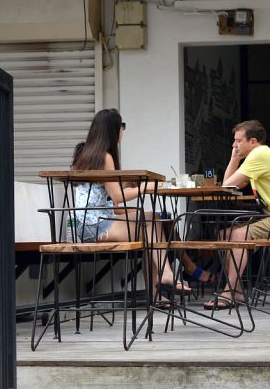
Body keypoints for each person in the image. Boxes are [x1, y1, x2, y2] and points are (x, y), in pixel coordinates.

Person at [72, 108, 190, 296]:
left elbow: (110, 198)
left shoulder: (88, 154)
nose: (123, 131)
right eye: (122, 126)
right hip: (95, 226)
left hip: (87, 223)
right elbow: (117, 197)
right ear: (113, 129)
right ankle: (165, 277)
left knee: (153, 221)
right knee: (151, 226)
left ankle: (159, 289)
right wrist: (144, 188)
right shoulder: (105, 157)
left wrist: (132, 187)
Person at [204, 119, 270, 310]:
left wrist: (234, 159)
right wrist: (235, 158)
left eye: (238, 141)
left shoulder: (259, 155)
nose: (234, 145)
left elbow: (227, 185)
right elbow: (230, 186)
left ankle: (229, 292)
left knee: (238, 234)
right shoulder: (259, 156)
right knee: (224, 235)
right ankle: (237, 290)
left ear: (253, 141)